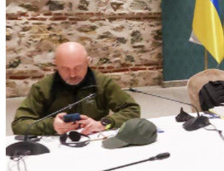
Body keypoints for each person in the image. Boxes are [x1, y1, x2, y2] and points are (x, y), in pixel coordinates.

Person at [12, 42, 140, 136]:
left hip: (95, 140)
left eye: (78, 68)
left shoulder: (103, 83)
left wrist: (103, 123)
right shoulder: (42, 88)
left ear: (88, 62)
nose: (72, 75)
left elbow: (132, 110)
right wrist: (52, 125)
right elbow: (19, 124)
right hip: (56, 144)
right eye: (65, 69)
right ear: (56, 65)